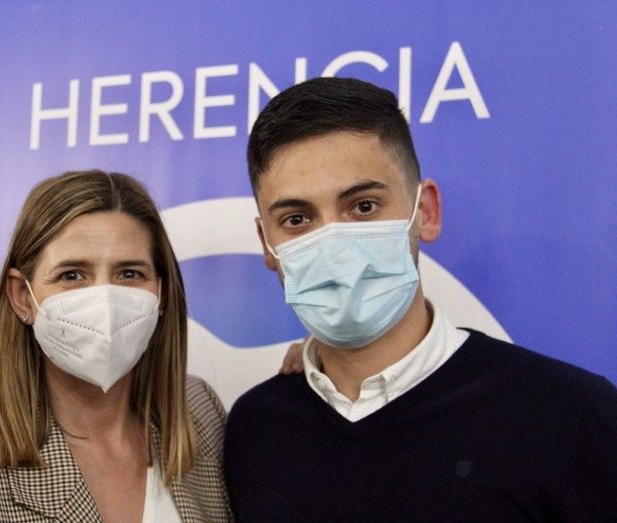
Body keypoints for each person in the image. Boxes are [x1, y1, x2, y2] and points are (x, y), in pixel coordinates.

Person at [223, 77, 617, 521]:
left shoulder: (570, 417)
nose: (333, 243)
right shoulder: (255, 427)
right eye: (297, 219)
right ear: (267, 243)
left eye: (364, 206)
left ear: (425, 212)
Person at [0, 170, 233, 522]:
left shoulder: (201, 415)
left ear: (162, 292)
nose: (105, 300)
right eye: (72, 275)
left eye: (129, 274)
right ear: (22, 296)